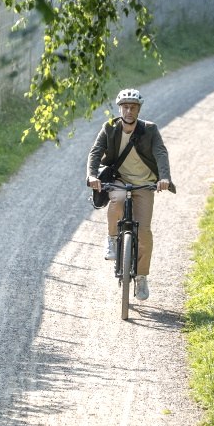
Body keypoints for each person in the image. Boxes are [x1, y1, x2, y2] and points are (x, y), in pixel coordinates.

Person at [86, 88, 174, 301]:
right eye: (125, 107)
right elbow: (95, 152)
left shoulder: (150, 130)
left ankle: (141, 277)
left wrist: (164, 178)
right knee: (116, 199)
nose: (129, 111)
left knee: (143, 232)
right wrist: (91, 175)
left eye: (133, 107)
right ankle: (112, 239)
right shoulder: (109, 128)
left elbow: (161, 153)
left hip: (144, 184)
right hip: (120, 179)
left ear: (138, 109)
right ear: (120, 109)